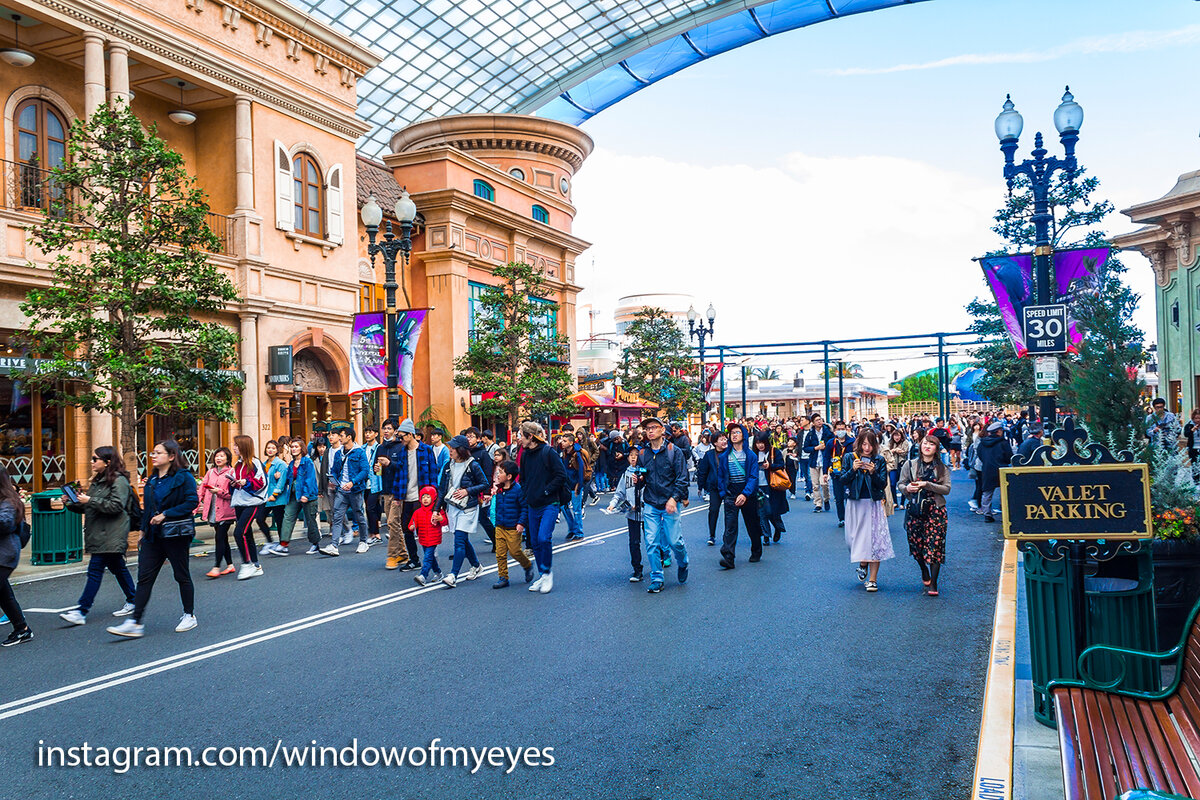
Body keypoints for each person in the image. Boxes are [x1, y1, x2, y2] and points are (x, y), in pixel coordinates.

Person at [108, 440, 199, 638]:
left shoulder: (184, 477)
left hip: (176, 535)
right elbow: (148, 508)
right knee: (144, 577)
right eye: (152, 453)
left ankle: (189, 615)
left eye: (158, 453)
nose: (153, 456)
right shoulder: (152, 479)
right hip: (153, 536)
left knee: (181, 575)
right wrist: (142, 531)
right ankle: (135, 622)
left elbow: (192, 501)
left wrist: (166, 514)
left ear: (172, 456)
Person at [59, 447, 138, 625]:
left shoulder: (119, 481)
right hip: (100, 532)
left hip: (111, 533)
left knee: (95, 570)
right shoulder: (98, 481)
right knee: (118, 568)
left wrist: (90, 500)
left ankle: (81, 610)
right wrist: (71, 503)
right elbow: (90, 506)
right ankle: (133, 599)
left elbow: (116, 506)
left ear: (107, 461)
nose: (92, 462)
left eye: (95, 459)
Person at [831, 428, 892, 593]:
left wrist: (872, 472)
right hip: (855, 502)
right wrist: (853, 469)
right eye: (864, 444)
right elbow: (842, 480)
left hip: (873, 503)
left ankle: (873, 579)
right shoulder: (850, 457)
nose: (867, 448)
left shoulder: (879, 460)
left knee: (875, 541)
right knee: (853, 541)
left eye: (870, 445)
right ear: (859, 443)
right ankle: (863, 562)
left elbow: (882, 484)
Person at [637, 416, 689, 594]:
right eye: (647, 428)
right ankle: (657, 578)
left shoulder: (674, 451)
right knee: (652, 543)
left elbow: (682, 478)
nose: (649, 431)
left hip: (670, 502)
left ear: (662, 430)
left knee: (675, 542)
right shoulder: (643, 454)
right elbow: (641, 478)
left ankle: (683, 562)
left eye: (653, 427)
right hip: (651, 502)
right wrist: (638, 480)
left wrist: (674, 498)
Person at [900, 434, 952, 597]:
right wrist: (907, 488)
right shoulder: (910, 465)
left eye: (931, 444)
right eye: (924, 443)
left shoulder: (942, 467)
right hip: (915, 509)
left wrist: (928, 484)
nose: (927, 446)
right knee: (916, 546)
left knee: (935, 546)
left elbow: (947, 489)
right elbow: (900, 484)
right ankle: (924, 570)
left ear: (936, 448)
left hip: (935, 510)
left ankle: (934, 583)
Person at [518, 421, 567, 594]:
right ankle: (542, 575)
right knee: (535, 543)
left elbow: (561, 475)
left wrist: (546, 491)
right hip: (533, 504)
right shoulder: (524, 454)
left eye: (521, 435)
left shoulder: (548, 452)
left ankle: (547, 574)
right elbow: (522, 478)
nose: (519, 438)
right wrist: (527, 493)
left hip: (549, 503)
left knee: (544, 538)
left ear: (530, 436)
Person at [437, 435, 488, 587]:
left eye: (453, 448)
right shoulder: (448, 465)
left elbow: (484, 483)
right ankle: (476, 566)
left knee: (459, 540)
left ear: (461, 450)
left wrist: (467, 491)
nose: (450, 450)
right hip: (452, 506)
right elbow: (442, 489)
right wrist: (436, 509)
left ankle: (453, 575)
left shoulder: (473, 465)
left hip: (468, 507)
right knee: (463, 540)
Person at [388, 419, 439, 571]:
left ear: (410, 435)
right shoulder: (402, 452)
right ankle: (414, 560)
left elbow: (433, 474)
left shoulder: (426, 450)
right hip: (406, 496)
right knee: (406, 528)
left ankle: (430, 560)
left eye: (402, 437)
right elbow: (399, 476)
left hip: (423, 497)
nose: (400, 440)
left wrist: (434, 497)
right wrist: (397, 497)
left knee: (424, 530)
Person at [227, 435, 268, 580]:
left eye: (236, 445)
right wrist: (234, 483)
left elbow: (262, 482)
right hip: (239, 502)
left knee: (239, 533)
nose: (234, 448)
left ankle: (246, 564)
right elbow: (240, 485)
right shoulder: (238, 464)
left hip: (253, 502)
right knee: (247, 534)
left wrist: (246, 482)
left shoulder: (255, 463)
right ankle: (256, 566)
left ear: (244, 446)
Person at [278, 436, 327, 556]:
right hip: (294, 494)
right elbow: (288, 479)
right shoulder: (291, 464)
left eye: (296, 447)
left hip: (307, 495)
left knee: (311, 520)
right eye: (292, 447)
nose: (294, 449)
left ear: (301, 448)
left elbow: (310, 479)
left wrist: (306, 494)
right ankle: (283, 544)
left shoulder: (307, 462)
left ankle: (315, 544)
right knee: (288, 516)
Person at [490, 460, 534, 588]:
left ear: (509, 477)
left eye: (501, 472)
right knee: (500, 553)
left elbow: (524, 508)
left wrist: (521, 523)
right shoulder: (498, 490)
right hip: (500, 526)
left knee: (515, 552)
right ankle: (503, 577)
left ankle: (527, 565)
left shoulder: (518, 490)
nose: (498, 474)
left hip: (513, 527)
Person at [606, 447, 646, 582]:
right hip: (632, 513)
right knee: (634, 542)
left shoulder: (646, 472)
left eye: (636, 455)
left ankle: (660, 561)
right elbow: (619, 493)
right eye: (630, 455)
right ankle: (637, 570)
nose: (633, 457)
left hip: (647, 513)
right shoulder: (626, 474)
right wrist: (613, 504)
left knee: (652, 541)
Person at [329, 426, 370, 555]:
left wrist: (352, 482)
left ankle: (363, 541)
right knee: (337, 516)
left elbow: (365, 471)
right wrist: (333, 480)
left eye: (341, 435)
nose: (339, 438)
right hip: (341, 490)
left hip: (355, 490)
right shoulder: (338, 453)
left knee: (359, 515)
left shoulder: (359, 452)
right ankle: (334, 545)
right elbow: (334, 470)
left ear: (349, 437)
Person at [196, 447, 237, 577]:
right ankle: (230, 565)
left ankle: (216, 567)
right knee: (223, 539)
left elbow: (234, 494)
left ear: (228, 458)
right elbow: (201, 490)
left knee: (219, 537)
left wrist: (219, 492)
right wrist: (195, 506)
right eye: (217, 456)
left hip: (226, 511)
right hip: (212, 510)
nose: (218, 458)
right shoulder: (211, 472)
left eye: (222, 456)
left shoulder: (232, 472)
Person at [0, 465, 29, 646]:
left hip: (5, 555)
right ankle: (22, 629)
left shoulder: (9, 501)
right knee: (3, 594)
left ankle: (22, 629)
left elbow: (5, 523)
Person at [753, 431, 788, 542]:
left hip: (772, 486)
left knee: (772, 511)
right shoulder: (753, 454)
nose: (760, 445)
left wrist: (770, 466)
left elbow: (781, 465)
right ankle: (766, 536)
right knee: (761, 512)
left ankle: (778, 528)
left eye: (762, 442)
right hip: (759, 486)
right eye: (758, 443)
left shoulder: (774, 452)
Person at [976, 421, 1013, 523]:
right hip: (1002, 468)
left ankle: (987, 514)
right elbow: (1009, 456)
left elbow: (979, 454)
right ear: (998, 432)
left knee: (987, 492)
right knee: (1005, 491)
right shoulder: (1003, 443)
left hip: (987, 469)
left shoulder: (982, 443)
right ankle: (1006, 512)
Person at [695, 432, 727, 546]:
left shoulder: (730, 453)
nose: (724, 442)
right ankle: (712, 535)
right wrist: (700, 486)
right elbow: (702, 471)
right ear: (715, 443)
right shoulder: (709, 455)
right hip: (714, 487)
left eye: (725, 439)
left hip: (729, 487)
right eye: (721, 440)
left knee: (729, 512)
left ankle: (728, 535)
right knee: (713, 510)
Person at [259, 439, 289, 556]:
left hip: (278, 498)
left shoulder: (280, 464)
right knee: (260, 518)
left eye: (273, 448)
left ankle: (283, 545)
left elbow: (282, 482)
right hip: (265, 497)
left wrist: (274, 494)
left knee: (280, 521)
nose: (270, 450)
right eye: (268, 448)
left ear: (277, 450)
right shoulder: (264, 464)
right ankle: (270, 542)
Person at [409, 486, 444, 585]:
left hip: (433, 538)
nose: (425, 499)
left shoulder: (436, 511)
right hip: (423, 538)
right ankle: (438, 573)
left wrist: (441, 519)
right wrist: (411, 526)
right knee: (430, 557)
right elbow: (413, 522)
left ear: (433, 498)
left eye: (428, 497)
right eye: (423, 497)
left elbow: (444, 521)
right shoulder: (417, 512)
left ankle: (423, 575)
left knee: (427, 557)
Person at [560, 432, 589, 542]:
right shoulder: (564, 453)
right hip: (566, 485)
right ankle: (572, 529)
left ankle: (579, 532)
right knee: (564, 507)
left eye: (565, 441)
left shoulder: (577, 454)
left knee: (577, 510)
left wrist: (579, 485)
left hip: (575, 485)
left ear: (571, 442)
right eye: (562, 440)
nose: (562, 443)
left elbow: (581, 470)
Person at [803, 414, 833, 512]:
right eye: (817, 420)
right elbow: (805, 448)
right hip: (813, 461)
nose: (819, 422)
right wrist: (815, 448)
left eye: (820, 419)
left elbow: (833, 443)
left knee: (824, 483)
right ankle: (818, 503)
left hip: (825, 461)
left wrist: (826, 447)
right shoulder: (810, 434)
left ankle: (826, 499)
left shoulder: (828, 432)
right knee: (815, 485)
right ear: (813, 423)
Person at [826, 420, 853, 527]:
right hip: (836, 474)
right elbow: (826, 458)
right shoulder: (831, 443)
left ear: (846, 429)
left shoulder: (852, 442)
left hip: (849, 474)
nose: (841, 431)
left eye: (843, 429)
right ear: (835, 430)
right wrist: (825, 472)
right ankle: (842, 518)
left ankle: (851, 518)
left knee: (850, 496)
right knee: (839, 497)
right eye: (838, 429)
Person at [361, 426, 383, 547]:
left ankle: (376, 534)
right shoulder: (362, 448)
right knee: (371, 507)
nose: (367, 435)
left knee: (370, 507)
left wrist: (378, 473)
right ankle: (372, 533)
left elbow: (380, 465)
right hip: (364, 483)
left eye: (370, 432)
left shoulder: (379, 448)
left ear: (375, 434)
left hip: (375, 482)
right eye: (366, 432)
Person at [883, 428, 909, 506]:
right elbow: (886, 452)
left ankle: (902, 503)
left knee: (903, 484)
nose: (896, 437)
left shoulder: (905, 442)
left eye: (898, 435)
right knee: (892, 484)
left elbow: (905, 452)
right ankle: (895, 502)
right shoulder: (890, 443)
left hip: (902, 465)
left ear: (901, 436)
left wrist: (897, 451)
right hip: (893, 466)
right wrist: (895, 450)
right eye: (895, 435)